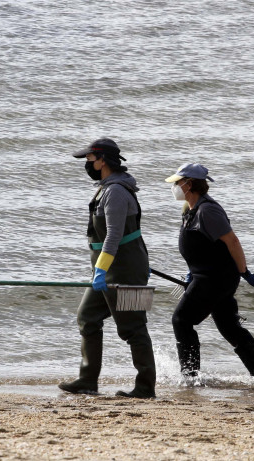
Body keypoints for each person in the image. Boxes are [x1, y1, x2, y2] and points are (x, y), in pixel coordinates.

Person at [58, 138, 156, 399]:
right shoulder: (106, 187)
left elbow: (113, 236)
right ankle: (87, 381)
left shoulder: (116, 191)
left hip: (123, 269)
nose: (88, 164)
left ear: (102, 160)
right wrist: (100, 271)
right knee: (87, 317)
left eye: (90, 159)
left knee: (133, 328)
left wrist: (101, 270)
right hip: (109, 268)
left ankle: (146, 387)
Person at [165, 162, 254, 384]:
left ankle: (190, 378)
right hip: (207, 277)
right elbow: (200, 248)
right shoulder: (190, 209)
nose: (174, 186)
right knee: (230, 328)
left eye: (177, 182)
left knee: (181, 320)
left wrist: (245, 272)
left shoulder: (208, 210)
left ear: (189, 184)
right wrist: (190, 274)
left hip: (214, 279)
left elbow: (232, 242)